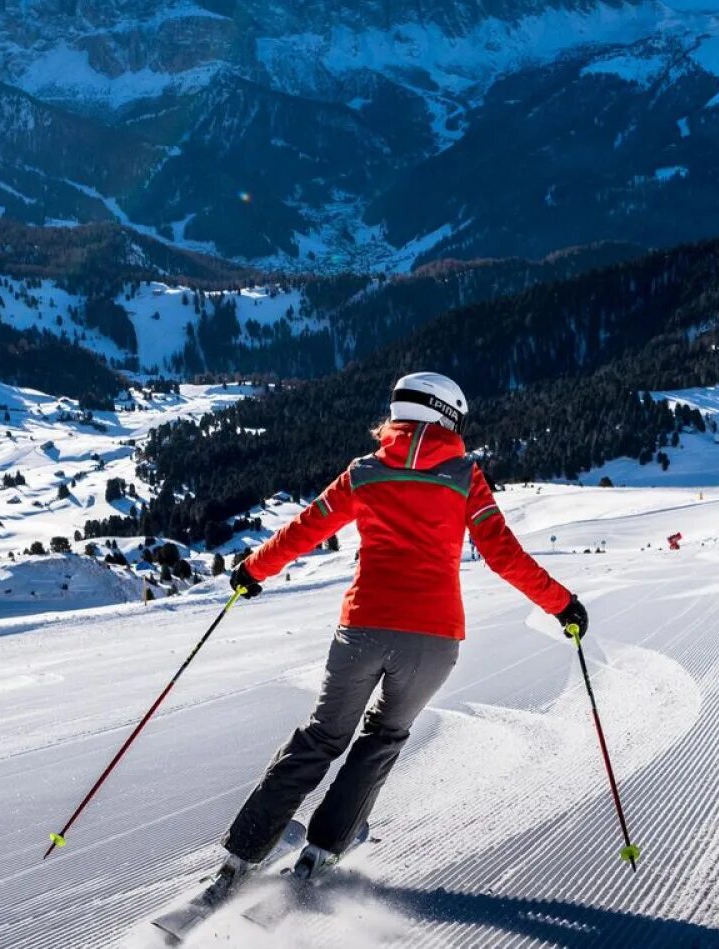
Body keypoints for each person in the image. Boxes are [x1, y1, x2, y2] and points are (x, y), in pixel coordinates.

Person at [205, 372, 586, 900]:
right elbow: (504, 555)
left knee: (321, 737)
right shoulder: (464, 475)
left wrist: (253, 570)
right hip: (432, 639)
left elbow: (305, 528)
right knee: (383, 737)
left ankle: (241, 855)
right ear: (448, 416)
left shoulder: (363, 473)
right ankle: (324, 849)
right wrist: (562, 604)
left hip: (362, 626)